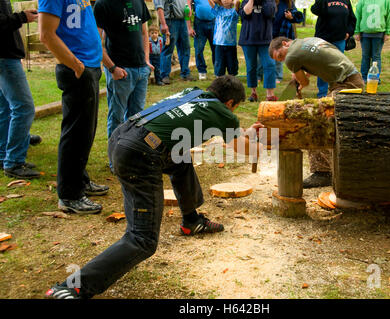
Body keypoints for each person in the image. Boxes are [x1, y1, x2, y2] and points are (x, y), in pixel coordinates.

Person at [44, 75, 264, 299]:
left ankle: (192, 221)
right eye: (235, 108)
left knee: (180, 159)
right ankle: (73, 287)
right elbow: (241, 148)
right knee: (142, 239)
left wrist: (246, 135)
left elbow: (232, 136)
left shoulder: (193, 93)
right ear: (230, 104)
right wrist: (263, 146)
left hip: (122, 137)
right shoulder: (224, 113)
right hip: (139, 154)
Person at [39, 0, 109, 214]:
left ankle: (80, 181)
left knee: (85, 132)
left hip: (89, 67)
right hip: (77, 69)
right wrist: (76, 65)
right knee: (75, 133)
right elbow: (46, 35)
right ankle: (69, 195)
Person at [269, 36, 364, 187]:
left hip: (346, 85)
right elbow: (317, 62)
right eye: (279, 60)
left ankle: (322, 172)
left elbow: (305, 82)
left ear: (284, 43)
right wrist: (301, 76)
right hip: (352, 79)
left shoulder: (291, 57)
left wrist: (298, 78)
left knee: (313, 121)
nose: (283, 60)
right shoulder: (305, 41)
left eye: (281, 55)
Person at [93, 0, 153, 143]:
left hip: (141, 70)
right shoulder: (103, 4)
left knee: (137, 118)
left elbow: (144, 33)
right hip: (120, 71)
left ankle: (130, 154)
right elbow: (95, 42)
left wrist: (146, 60)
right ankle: (115, 160)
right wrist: (112, 68)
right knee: (116, 119)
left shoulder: (139, 1)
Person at [0, 1, 41, 179]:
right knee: (24, 108)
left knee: (6, 109)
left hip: (6, 57)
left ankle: (3, 156)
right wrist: (22, 17)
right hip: (5, 58)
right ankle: (14, 162)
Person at [311, 0, 356, 97]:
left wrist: (349, 32)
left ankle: (336, 91)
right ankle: (322, 93)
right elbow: (315, 10)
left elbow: (352, 19)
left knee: (338, 66)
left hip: (339, 39)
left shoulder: (346, 1)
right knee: (323, 66)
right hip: (323, 39)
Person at [239, 0, 278, 102]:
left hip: (265, 40)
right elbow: (245, 13)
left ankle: (270, 94)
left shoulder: (270, 1)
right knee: (251, 66)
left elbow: (269, 12)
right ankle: (253, 92)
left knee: (270, 64)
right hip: (248, 39)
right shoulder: (246, 1)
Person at [354, 0, 390, 83]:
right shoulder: (362, 1)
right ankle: (364, 78)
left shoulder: (387, 1)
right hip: (365, 34)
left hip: (379, 34)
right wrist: (356, 31)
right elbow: (357, 16)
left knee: (376, 56)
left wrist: (388, 32)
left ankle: (375, 78)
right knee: (365, 56)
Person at [155, 0, 194, 84]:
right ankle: (164, 75)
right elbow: (159, 7)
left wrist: (189, 8)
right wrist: (163, 24)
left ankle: (185, 73)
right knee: (168, 49)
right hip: (170, 21)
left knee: (185, 48)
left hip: (182, 20)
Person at [208, 0, 240, 77]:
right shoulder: (218, 10)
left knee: (232, 67)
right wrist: (220, 2)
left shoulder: (234, 11)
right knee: (219, 66)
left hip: (231, 44)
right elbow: (211, 1)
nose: (225, 0)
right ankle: (219, 81)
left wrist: (231, 2)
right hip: (219, 44)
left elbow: (237, 2)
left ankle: (232, 82)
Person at [187, 0, 215, 80]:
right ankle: (202, 71)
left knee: (216, 49)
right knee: (198, 49)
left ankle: (218, 71)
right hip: (199, 23)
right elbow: (187, 8)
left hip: (213, 22)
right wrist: (189, 28)